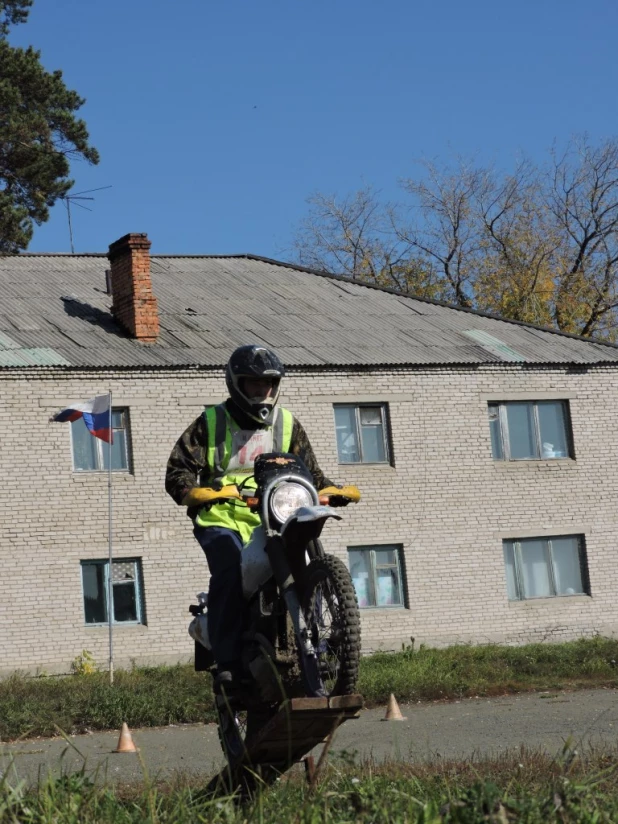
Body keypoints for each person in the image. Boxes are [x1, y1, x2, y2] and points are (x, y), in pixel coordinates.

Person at [165, 344, 354, 691]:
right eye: (253, 384)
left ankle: (326, 636)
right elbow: (178, 469)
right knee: (229, 570)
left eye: (268, 384)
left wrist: (334, 490)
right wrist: (194, 492)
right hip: (221, 515)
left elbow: (310, 472)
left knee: (307, 547)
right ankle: (228, 664)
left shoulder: (286, 422)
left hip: (277, 510)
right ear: (236, 383)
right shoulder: (211, 422)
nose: (262, 391)